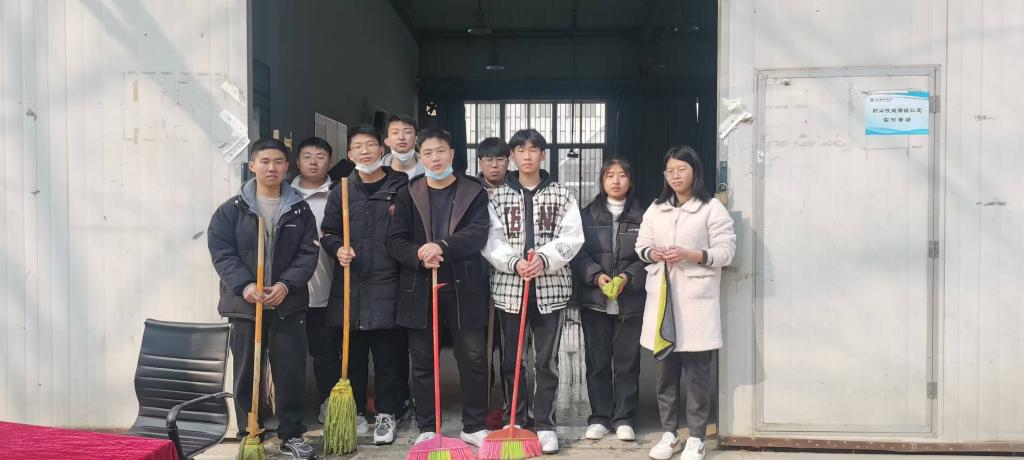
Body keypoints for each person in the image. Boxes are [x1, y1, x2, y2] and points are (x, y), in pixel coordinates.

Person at [207, 138, 318, 459]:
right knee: (246, 372)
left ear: (287, 167)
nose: (271, 168)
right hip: (245, 306)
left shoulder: (299, 209)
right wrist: (244, 286)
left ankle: (291, 433)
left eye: (278, 162)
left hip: (287, 304)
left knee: (291, 372)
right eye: (265, 161)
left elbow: (308, 253)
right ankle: (250, 432)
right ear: (252, 165)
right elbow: (222, 253)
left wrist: (285, 285)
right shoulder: (232, 210)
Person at [387, 127, 492, 447]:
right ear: (420, 157)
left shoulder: (473, 191)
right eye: (428, 153)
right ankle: (428, 426)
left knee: (473, 358)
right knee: (422, 360)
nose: (435, 158)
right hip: (420, 287)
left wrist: (442, 246)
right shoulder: (409, 192)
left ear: (452, 154)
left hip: (465, 288)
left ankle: (474, 425)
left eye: (441, 151)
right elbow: (394, 240)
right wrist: (419, 254)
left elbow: (479, 233)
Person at [481, 128, 584, 454]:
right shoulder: (496, 198)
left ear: (543, 154)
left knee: (546, 361)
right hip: (510, 290)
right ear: (512, 156)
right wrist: (513, 263)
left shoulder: (562, 195)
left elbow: (573, 237)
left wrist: (544, 258)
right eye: (521, 150)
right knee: (512, 360)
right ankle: (515, 419)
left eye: (533, 150)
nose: (527, 156)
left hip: (550, 290)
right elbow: (491, 238)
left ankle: (545, 424)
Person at [636, 146, 736, 460]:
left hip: (695, 303)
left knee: (697, 376)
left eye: (682, 169)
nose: (676, 176)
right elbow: (641, 245)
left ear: (695, 171)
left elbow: (726, 252)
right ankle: (669, 434)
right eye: (670, 171)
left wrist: (690, 255)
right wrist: (654, 254)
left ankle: (696, 438)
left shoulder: (711, 208)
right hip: (663, 301)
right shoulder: (656, 208)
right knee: (665, 374)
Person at [319, 125, 410, 444]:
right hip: (351, 286)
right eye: (358, 147)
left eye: (370, 145)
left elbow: (410, 231)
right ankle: (355, 411)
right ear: (350, 154)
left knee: (388, 358)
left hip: (388, 284)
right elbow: (327, 231)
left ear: (381, 150)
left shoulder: (401, 188)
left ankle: (387, 414)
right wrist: (337, 248)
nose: (365, 152)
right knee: (352, 356)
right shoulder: (341, 190)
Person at [571, 158, 646, 442]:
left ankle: (624, 418)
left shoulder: (644, 216)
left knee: (627, 364)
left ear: (630, 180)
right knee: (598, 363)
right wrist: (596, 275)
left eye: (622, 175)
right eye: (610, 175)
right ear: (602, 181)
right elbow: (577, 253)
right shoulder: (586, 215)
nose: (616, 181)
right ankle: (600, 417)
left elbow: (648, 255)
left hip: (631, 301)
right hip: (595, 301)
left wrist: (628, 276)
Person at [381, 114, 425, 179]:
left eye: (407, 132)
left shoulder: (430, 169)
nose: (401, 137)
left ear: (416, 139)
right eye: (395, 132)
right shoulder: (376, 172)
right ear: (387, 141)